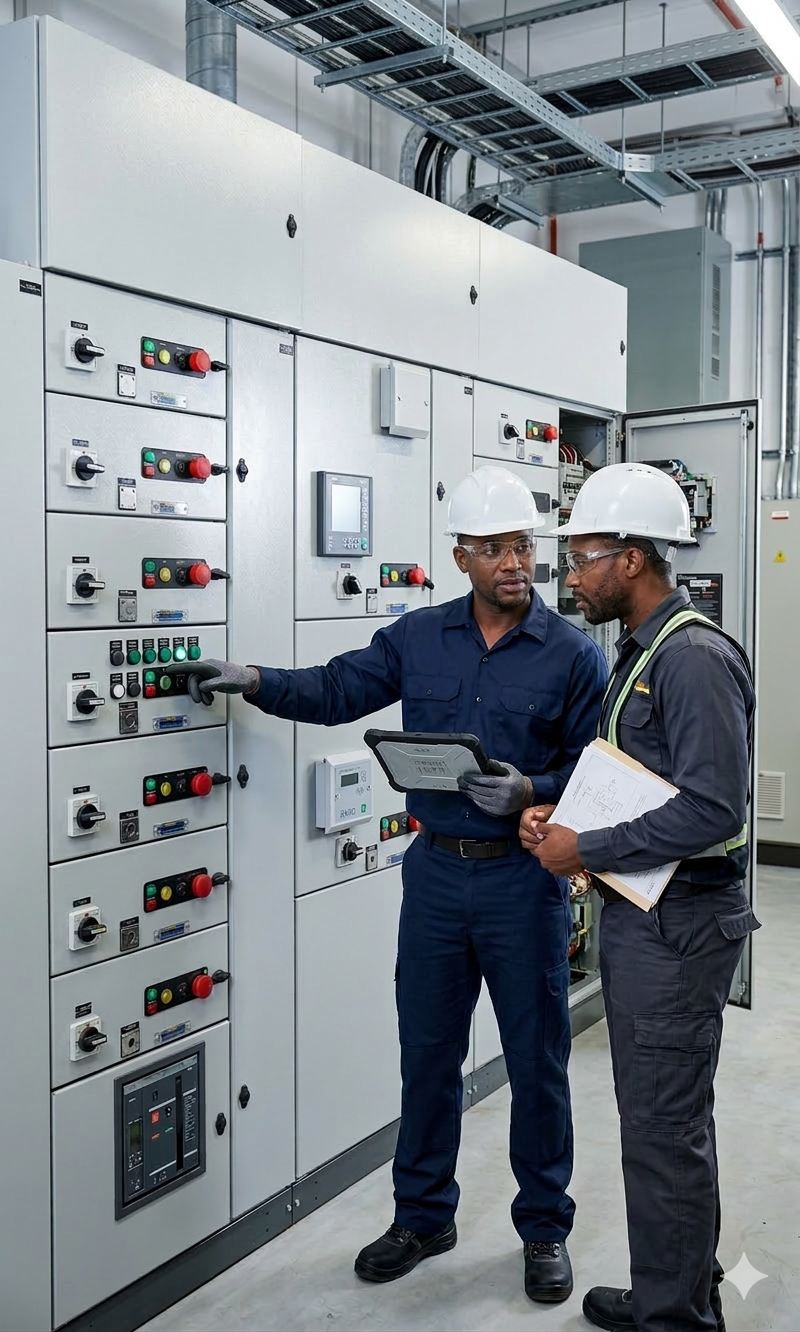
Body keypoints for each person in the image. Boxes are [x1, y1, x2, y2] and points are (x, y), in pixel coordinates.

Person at [171, 464, 607, 1301]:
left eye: (523, 546)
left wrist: (533, 787)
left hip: (522, 883)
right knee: (427, 1053)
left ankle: (544, 1227)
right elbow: (339, 689)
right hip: (435, 876)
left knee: (537, 1062)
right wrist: (257, 681)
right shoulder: (418, 637)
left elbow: (593, 771)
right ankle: (423, 1216)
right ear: (460, 556)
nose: (514, 562)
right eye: (494, 548)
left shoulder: (572, 655)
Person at [519, 462, 760, 1332]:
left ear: (631, 558)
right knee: (661, 1126)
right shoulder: (642, 651)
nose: (571, 578)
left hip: (681, 925)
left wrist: (588, 847)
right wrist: (562, 819)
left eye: (582, 559)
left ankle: (675, 1320)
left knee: (664, 1132)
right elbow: (640, 780)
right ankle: (675, 1294)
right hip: (648, 914)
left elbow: (712, 808)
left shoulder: (690, 658)